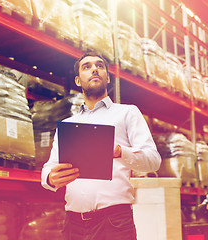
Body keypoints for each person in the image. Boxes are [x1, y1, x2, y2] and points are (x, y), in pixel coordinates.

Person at [41, 51, 161, 240]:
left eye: (100, 66)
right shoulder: (67, 125)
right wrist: (50, 178)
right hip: (73, 224)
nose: (94, 69)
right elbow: (49, 166)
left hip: (114, 222)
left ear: (107, 77)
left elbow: (153, 161)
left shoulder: (127, 113)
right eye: (86, 67)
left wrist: (121, 152)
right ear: (78, 81)